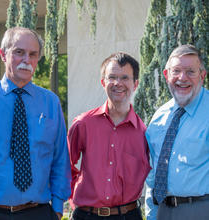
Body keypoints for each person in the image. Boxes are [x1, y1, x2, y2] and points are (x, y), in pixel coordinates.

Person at [0, 27, 71, 220]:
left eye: (33, 54)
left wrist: (58, 208)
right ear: (3, 54)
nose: (26, 60)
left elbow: (60, 158)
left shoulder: (50, 102)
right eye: (19, 52)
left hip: (38, 212)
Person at [67, 52, 151, 220]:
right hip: (86, 215)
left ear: (135, 84)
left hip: (128, 215)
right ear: (102, 82)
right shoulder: (83, 123)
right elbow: (64, 166)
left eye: (124, 78)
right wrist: (76, 197)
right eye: (111, 77)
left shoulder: (144, 133)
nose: (117, 83)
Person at [145, 44, 209, 220]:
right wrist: (152, 215)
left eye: (190, 71)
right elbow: (153, 174)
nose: (182, 78)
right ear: (167, 75)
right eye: (176, 71)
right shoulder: (158, 117)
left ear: (202, 76)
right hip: (163, 212)